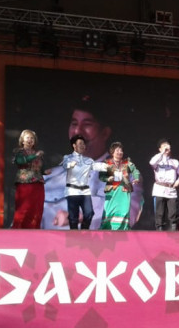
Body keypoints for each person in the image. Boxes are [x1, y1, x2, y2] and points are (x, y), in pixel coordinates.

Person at [42, 95, 143, 229]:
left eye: (87, 124)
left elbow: (124, 219)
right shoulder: (48, 178)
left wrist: (81, 217)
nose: (77, 131)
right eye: (74, 124)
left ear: (105, 133)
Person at [60, 134, 107, 230]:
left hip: (85, 191)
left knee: (89, 213)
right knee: (73, 216)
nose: (82, 146)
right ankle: (74, 233)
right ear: (74, 145)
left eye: (83, 144)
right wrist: (70, 164)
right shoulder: (68, 157)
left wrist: (109, 166)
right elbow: (65, 165)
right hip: (72, 191)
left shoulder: (88, 160)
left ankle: (84, 231)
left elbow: (97, 166)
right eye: (80, 143)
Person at [100, 142, 141, 230]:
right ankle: (108, 228)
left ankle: (123, 228)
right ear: (112, 152)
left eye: (121, 150)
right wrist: (108, 179)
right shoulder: (107, 163)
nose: (120, 152)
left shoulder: (127, 163)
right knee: (109, 210)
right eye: (117, 150)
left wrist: (136, 178)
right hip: (112, 191)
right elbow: (101, 176)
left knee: (124, 210)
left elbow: (135, 171)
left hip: (124, 191)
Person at [10, 129, 46, 228]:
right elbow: (21, 161)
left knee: (37, 207)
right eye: (27, 138)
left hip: (38, 183)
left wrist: (45, 171)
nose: (30, 140)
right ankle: (19, 230)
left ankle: (34, 230)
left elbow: (40, 168)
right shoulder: (19, 152)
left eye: (32, 138)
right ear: (22, 140)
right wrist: (35, 156)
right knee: (24, 207)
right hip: (25, 183)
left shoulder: (37, 153)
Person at [150, 139, 179, 231]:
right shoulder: (157, 161)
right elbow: (152, 162)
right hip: (159, 189)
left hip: (171, 189)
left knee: (173, 212)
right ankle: (159, 230)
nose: (166, 148)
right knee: (160, 212)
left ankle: (173, 229)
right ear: (160, 149)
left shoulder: (174, 162)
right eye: (164, 146)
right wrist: (162, 153)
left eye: (168, 146)